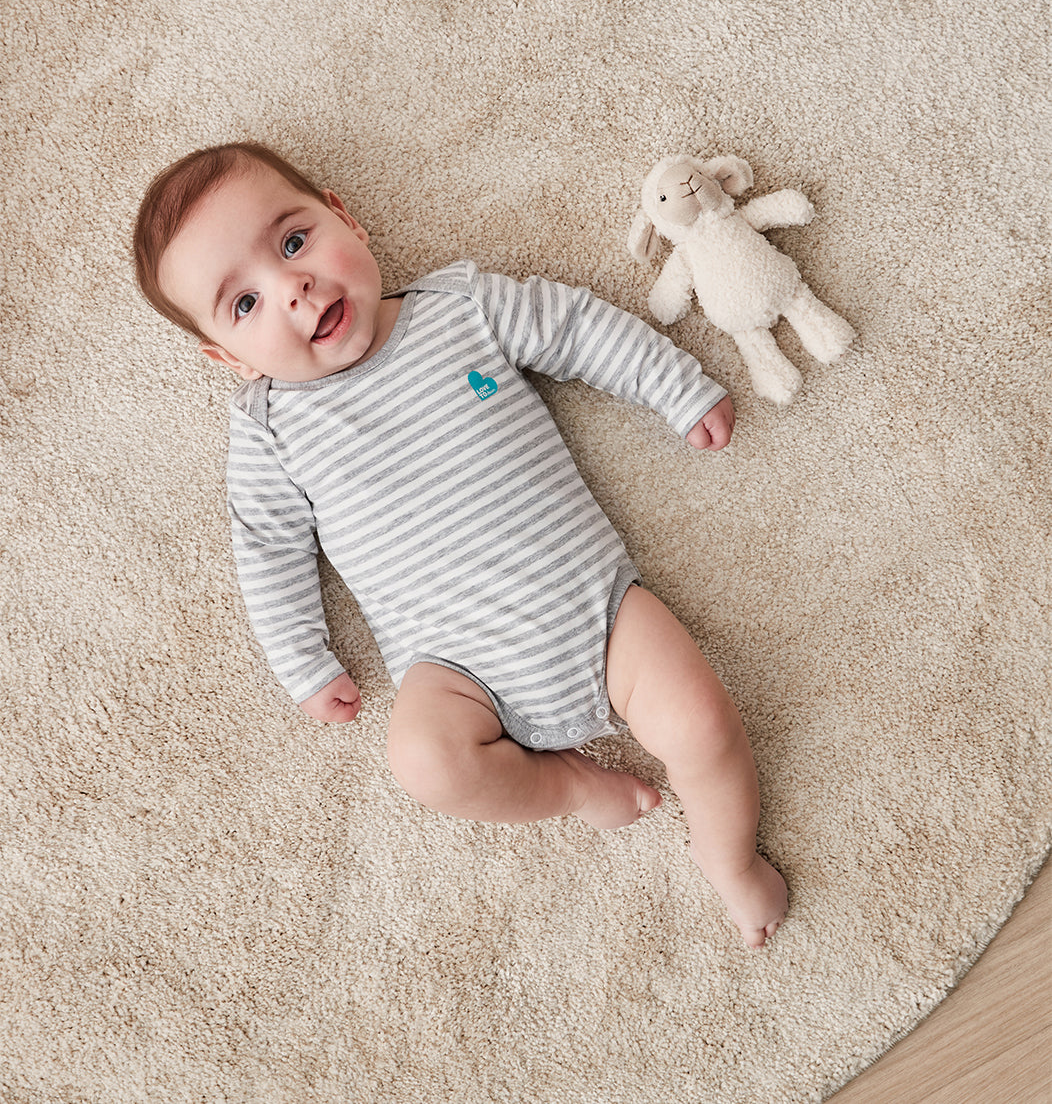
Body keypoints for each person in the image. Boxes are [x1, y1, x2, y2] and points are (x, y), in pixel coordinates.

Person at [133, 142, 788, 948]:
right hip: (456, 676)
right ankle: (570, 787)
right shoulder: (270, 433)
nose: (292, 289)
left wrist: (673, 386)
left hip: (600, 613)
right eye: (244, 305)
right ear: (226, 359)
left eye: (294, 242)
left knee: (703, 724)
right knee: (423, 762)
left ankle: (729, 859)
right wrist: (303, 662)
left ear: (346, 217)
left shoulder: (460, 307)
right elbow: (265, 548)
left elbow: (577, 328)